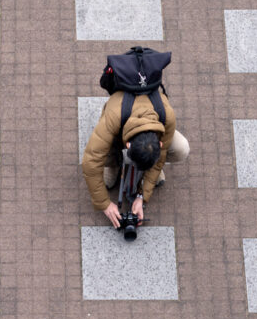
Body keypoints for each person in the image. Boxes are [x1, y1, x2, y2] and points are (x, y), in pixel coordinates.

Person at [81, 89, 189, 228]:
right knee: (101, 152)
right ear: (128, 145)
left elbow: (160, 158)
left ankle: (147, 167)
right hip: (118, 127)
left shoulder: (167, 116)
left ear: (160, 144)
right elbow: (90, 162)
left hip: (148, 127)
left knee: (182, 148)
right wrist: (104, 204)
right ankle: (114, 165)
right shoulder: (113, 117)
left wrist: (142, 197)